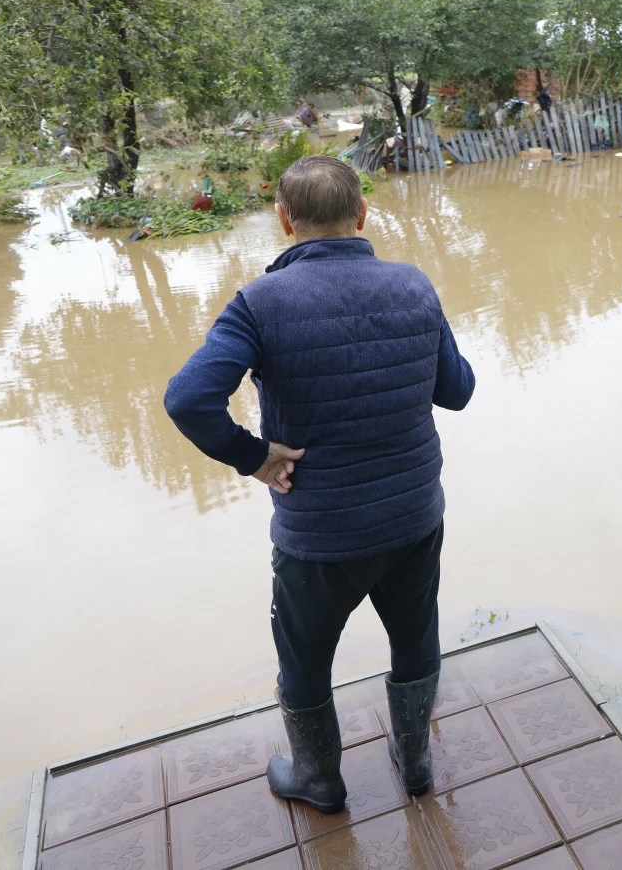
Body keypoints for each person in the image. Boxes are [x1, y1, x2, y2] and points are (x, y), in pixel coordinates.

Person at [164, 156, 476, 812]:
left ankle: (318, 779)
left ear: (283, 219)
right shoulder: (413, 285)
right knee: (415, 636)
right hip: (414, 517)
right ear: (362, 214)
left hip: (320, 534)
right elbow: (458, 390)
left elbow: (189, 399)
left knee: (304, 658)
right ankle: (415, 762)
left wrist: (254, 458)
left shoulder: (260, 302)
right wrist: (415, 337)